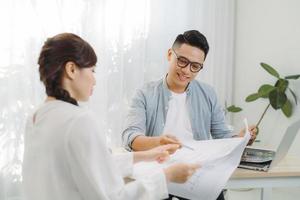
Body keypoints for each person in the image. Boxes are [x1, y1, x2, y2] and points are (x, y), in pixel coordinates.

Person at [22, 33, 200, 200]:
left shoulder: (36, 118)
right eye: (92, 70)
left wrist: (147, 155)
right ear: (71, 69)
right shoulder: (79, 121)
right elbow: (114, 197)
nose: (94, 80)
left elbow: (94, 165)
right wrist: (167, 175)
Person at [122, 30, 257, 200]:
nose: (187, 71)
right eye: (182, 61)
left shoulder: (208, 93)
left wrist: (241, 138)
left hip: (199, 173)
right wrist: (158, 142)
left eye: (195, 66)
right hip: (163, 173)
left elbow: (222, 135)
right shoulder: (145, 94)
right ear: (170, 54)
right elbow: (131, 137)